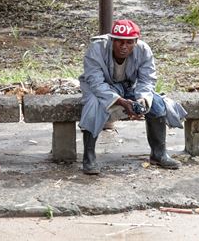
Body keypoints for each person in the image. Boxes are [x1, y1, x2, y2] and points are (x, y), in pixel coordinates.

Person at [78, 19, 181, 174]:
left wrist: (142, 101)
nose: (124, 47)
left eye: (129, 43)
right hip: (101, 88)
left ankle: (158, 154)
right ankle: (89, 157)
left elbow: (147, 80)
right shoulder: (96, 48)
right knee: (93, 105)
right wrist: (120, 101)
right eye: (119, 42)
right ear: (112, 40)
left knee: (157, 104)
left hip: (128, 86)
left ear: (136, 42)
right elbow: (95, 83)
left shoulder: (144, 50)